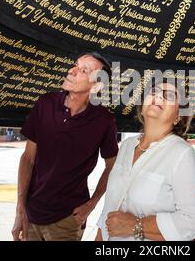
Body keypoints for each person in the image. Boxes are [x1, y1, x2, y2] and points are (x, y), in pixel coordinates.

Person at [11, 52, 119, 241]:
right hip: (31, 212)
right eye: (75, 65)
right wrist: (20, 207)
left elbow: (113, 166)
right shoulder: (45, 104)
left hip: (69, 219)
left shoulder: (104, 121)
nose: (72, 71)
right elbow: (28, 158)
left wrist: (91, 204)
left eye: (83, 70)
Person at [95, 80, 195, 241]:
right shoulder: (127, 146)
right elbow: (109, 208)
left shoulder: (182, 153)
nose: (158, 96)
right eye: (153, 91)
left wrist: (136, 225)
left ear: (178, 116)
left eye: (169, 96)